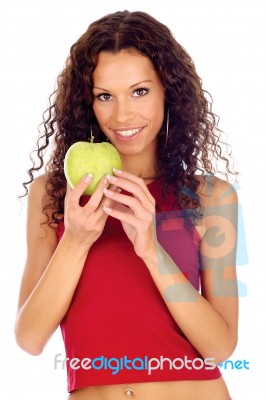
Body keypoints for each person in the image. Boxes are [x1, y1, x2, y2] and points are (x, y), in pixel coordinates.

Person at [15, 10, 238, 400]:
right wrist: (77, 240)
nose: (122, 115)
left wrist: (152, 250)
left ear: (168, 90)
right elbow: (30, 338)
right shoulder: (55, 195)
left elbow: (220, 347)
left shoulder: (210, 198)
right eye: (105, 96)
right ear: (88, 102)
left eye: (140, 91)